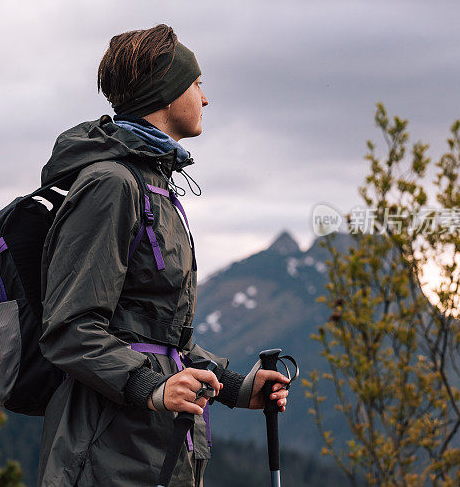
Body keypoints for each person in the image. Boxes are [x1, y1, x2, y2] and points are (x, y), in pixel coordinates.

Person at [37, 24, 290, 487]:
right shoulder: (112, 185)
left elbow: (159, 333)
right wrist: (151, 387)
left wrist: (237, 389)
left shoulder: (155, 185)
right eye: (197, 84)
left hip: (155, 450)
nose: (205, 98)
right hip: (108, 455)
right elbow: (69, 329)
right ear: (166, 92)